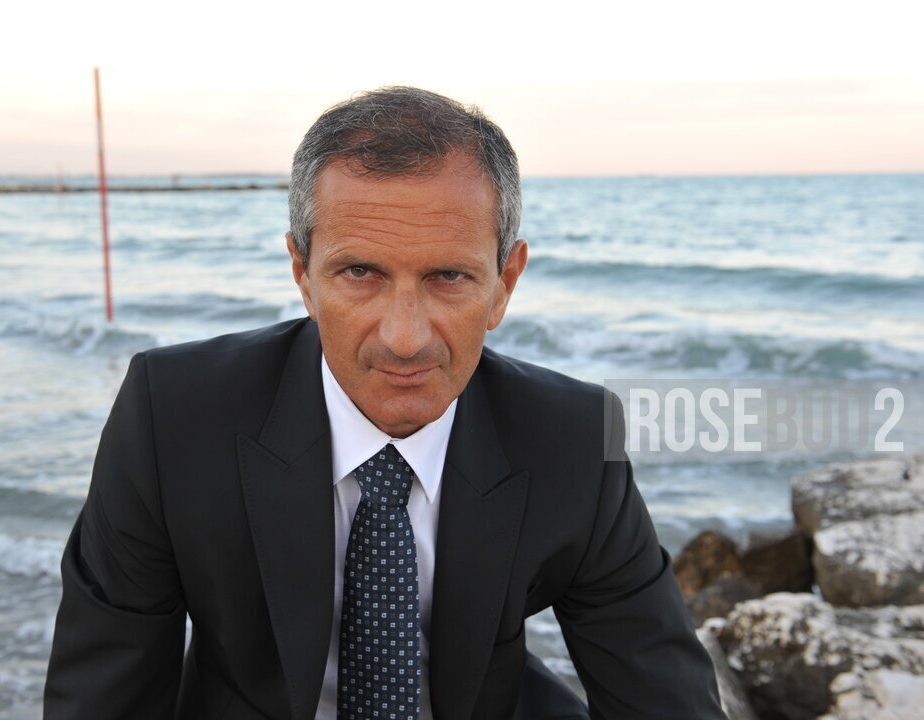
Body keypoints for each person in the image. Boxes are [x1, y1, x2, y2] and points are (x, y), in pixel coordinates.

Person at [44, 86, 726, 720]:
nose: (405, 339)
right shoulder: (173, 418)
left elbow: (663, 699)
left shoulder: (574, 439)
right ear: (303, 276)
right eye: (360, 273)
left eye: (450, 276)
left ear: (504, 283)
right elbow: (106, 697)